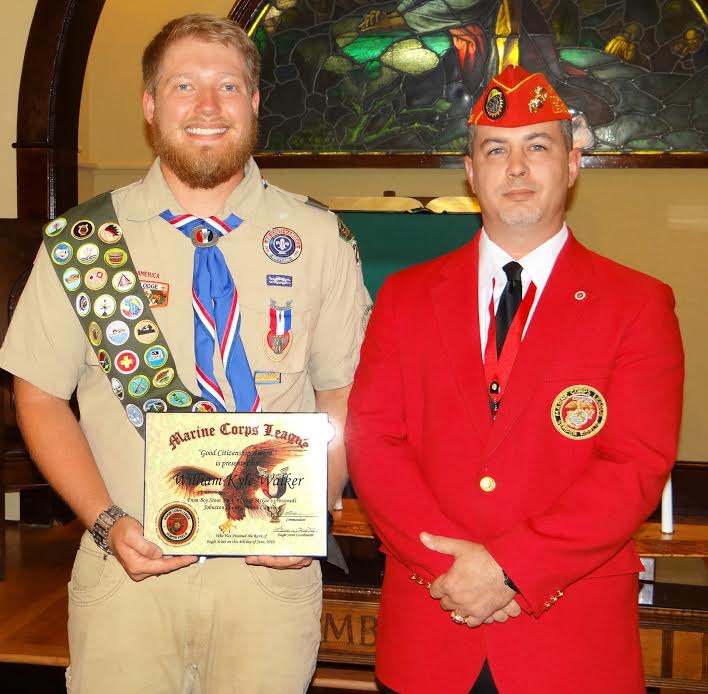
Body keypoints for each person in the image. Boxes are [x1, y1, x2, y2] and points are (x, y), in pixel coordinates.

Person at [0, 13, 369, 694]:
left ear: (255, 104)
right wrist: (106, 522)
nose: (206, 107)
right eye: (183, 86)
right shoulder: (84, 243)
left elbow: (339, 395)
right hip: (127, 573)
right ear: (150, 105)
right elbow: (39, 395)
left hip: (269, 580)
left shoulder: (319, 238)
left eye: (228, 87)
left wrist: (318, 511)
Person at [346, 64, 683, 694]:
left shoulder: (637, 304)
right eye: (496, 150)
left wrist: (510, 570)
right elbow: (374, 444)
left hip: (570, 643)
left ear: (573, 163)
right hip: (432, 626)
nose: (518, 168)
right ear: (471, 173)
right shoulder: (405, 298)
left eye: (538, 147)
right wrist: (456, 570)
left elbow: (634, 463)